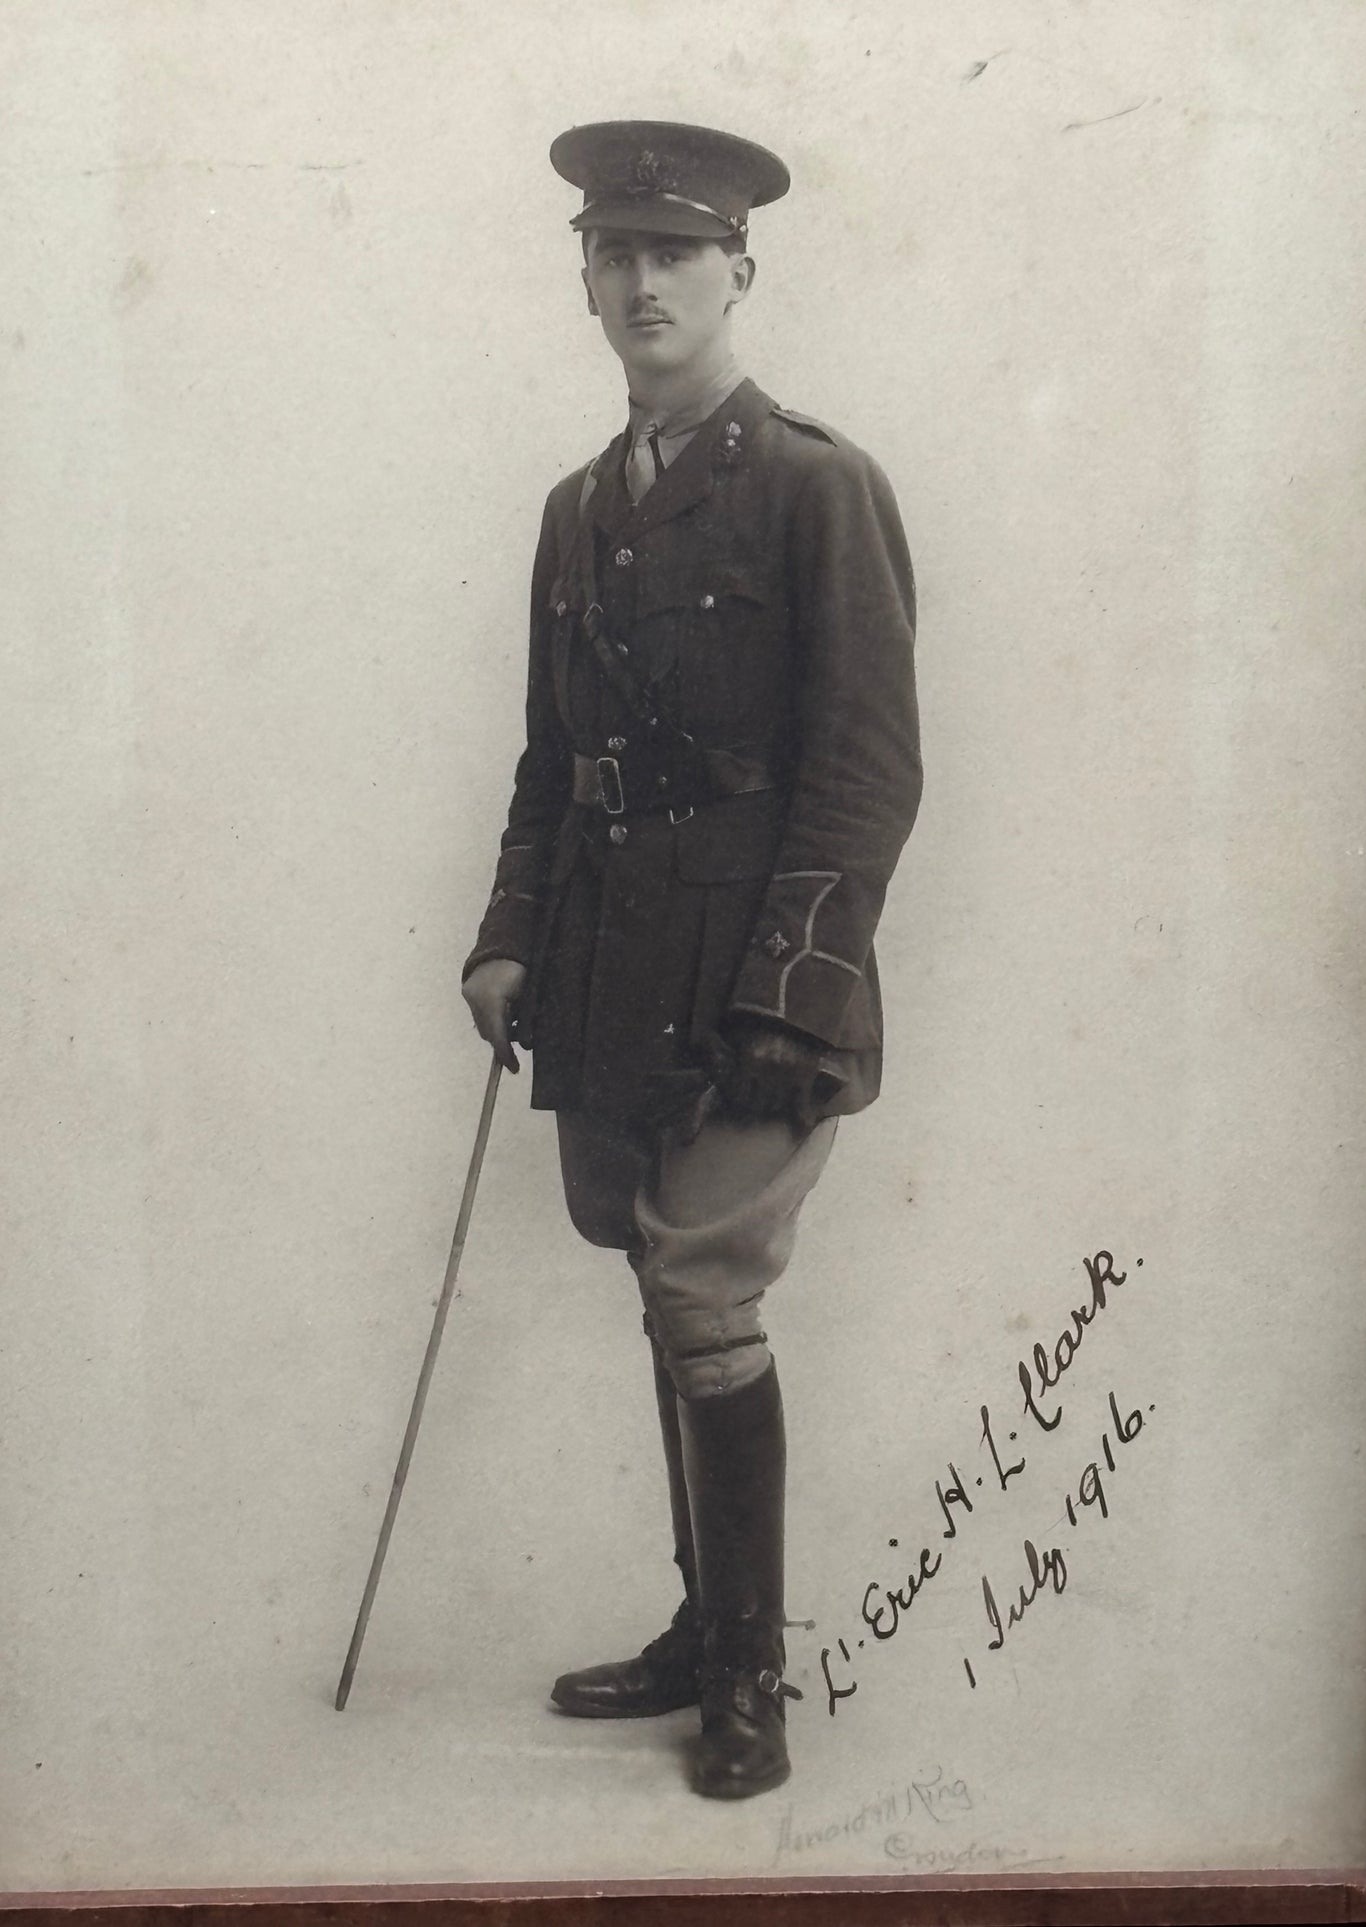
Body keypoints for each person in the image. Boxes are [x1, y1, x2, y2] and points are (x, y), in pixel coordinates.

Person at [462, 119, 922, 1800]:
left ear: (742, 269)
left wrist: (789, 990)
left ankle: (750, 1682)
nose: (643, 280)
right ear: (583, 280)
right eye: (613, 252)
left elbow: (868, 772)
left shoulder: (815, 483)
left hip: (752, 974)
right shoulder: (576, 511)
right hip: (606, 964)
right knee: (654, 1295)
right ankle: (697, 1622)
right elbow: (544, 761)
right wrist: (509, 938)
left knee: (701, 1290)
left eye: (676, 251)